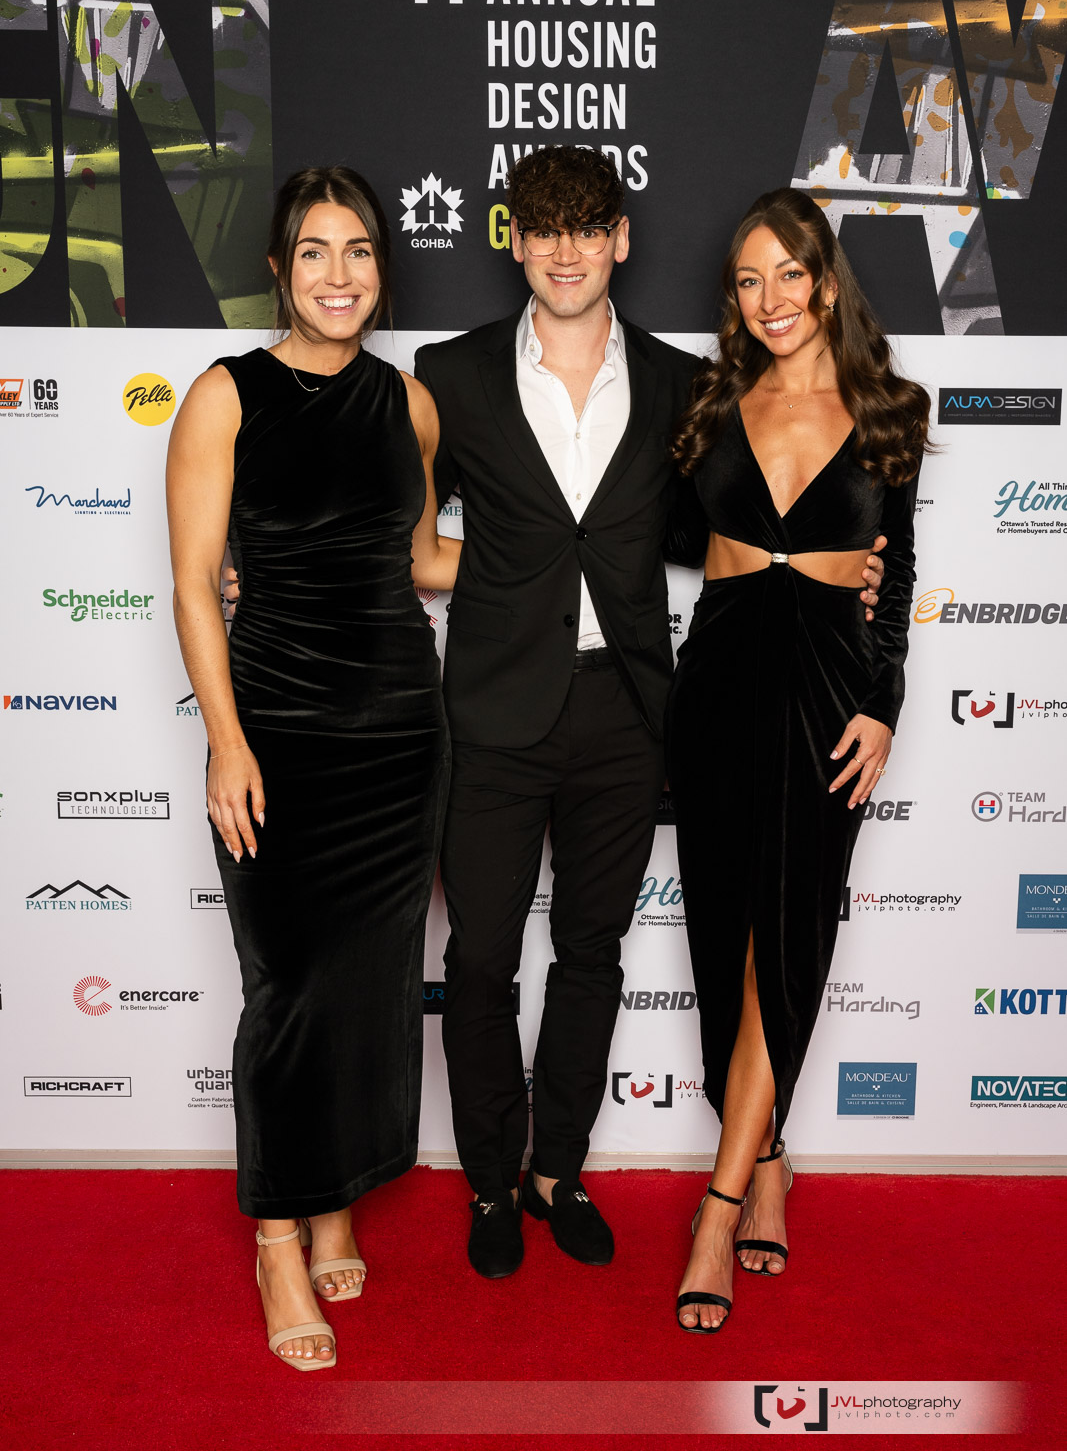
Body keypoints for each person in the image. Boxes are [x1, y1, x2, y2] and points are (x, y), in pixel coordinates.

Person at [413, 151, 887, 1280]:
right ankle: (490, 1179)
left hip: (628, 712)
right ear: (514, 241)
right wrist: (271, 568)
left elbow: (726, 523)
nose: (565, 251)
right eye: (542, 229)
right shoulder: (448, 374)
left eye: (587, 228)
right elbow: (409, 542)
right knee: (478, 959)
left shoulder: (688, 387)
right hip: (493, 708)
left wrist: (844, 571)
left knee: (592, 952)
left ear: (619, 239)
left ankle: (556, 1170)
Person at [166, 166, 458, 1371]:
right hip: (277, 732)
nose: (339, 275)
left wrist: (564, 549)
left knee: (372, 983)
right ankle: (279, 1235)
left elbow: (420, 560)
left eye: (359, 251)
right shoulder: (223, 396)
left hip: (399, 732)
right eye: (314, 252)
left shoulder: (410, 404)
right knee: (286, 986)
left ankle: (337, 1195)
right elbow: (194, 584)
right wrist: (227, 740)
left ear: (381, 269)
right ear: (280, 269)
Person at [666, 187, 929, 1333]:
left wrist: (882, 703)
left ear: (824, 280)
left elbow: (894, 570)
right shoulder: (709, 401)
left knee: (788, 934)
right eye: (746, 279)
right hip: (716, 682)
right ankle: (769, 1160)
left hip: (827, 688)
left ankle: (718, 1208)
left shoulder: (889, 408)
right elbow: (650, 533)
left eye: (787, 273)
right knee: (722, 939)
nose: (768, 298)